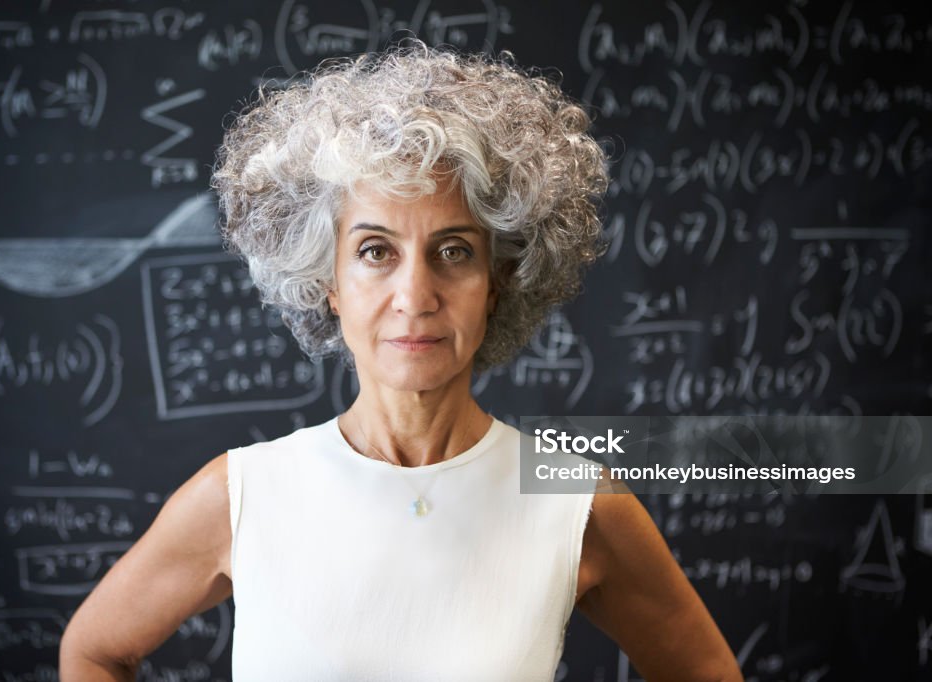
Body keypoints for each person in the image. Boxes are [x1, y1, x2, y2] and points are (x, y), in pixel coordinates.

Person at [59, 39, 743, 681]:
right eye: (375, 251)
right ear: (327, 281)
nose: (414, 296)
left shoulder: (577, 501)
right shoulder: (238, 496)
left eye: (453, 251)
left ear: (498, 281)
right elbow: (93, 652)